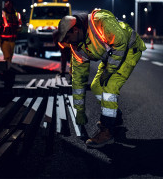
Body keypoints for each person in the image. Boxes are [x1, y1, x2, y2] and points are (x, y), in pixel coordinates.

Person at [54, 9, 146, 148]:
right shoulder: (76, 48)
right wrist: (79, 110)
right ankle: (115, 117)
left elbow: (120, 45)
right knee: (96, 86)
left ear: (76, 30)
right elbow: (78, 81)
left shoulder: (100, 21)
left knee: (110, 87)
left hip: (128, 50)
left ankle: (107, 131)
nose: (67, 43)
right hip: (111, 55)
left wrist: (109, 70)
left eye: (67, 38)